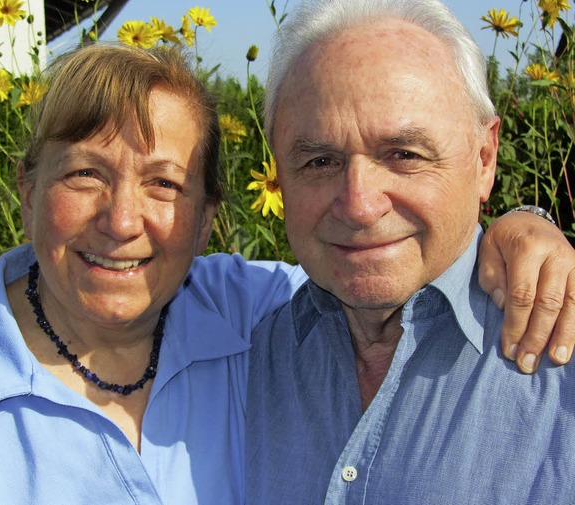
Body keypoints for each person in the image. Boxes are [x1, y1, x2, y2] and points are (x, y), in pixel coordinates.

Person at [0, 42, 571, 505]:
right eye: (83, 174)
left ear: (207, 216)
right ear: (26, 191)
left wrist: (518, 227)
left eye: (164, 183)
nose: (123, 221)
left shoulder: (254, 311)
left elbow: (383, 269)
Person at [246, 0, 575, 503]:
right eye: (319, 161)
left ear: (484, 160)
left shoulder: (561, 360)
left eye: (403, 154)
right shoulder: (238, 357)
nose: (358, 205)